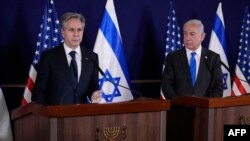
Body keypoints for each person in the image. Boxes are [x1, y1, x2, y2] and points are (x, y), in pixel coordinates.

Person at [32, 12, 101, 105]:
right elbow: (39, 93)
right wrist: (46, 116)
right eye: (71, 30)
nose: (76, 34)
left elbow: (93, 86)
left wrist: (94, 94)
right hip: (55, 116)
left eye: (79, 30)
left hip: (83, 116)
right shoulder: (49, 57)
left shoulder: (92, 57)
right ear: (63, 32)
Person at [161, 19, 223, 99]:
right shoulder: (173, 57)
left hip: (205, 109)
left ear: (202, 36)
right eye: (185, 34)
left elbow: (218, 86)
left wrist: (210, 105)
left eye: (192, 34)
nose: (187, 38)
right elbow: (166, 85)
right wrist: (178, 103)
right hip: (179, 109)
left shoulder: (213, 58)